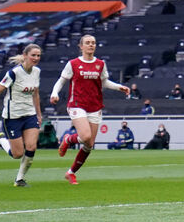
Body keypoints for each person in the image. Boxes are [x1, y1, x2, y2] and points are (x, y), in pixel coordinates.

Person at [50, 35, 131, 184]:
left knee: (89, 144)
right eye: (87, 43)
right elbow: (61, 81)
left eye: (93, 43)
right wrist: (55, 93)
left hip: (94, 106)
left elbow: (104, 82)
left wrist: (119, 87)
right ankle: (68, 139)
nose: (91, 45)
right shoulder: (73, 64)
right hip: (77, 104)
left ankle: (71, 172)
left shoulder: (100, 64)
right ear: (81, 46)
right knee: (86, 136)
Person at [0, 44, 43, 186]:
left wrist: (38, 114)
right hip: (12, 117)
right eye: (33, 55)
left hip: (29, 115)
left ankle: (19, 179)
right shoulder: (14, 73)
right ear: (25, 55)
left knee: (31, 147)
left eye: (38, 55)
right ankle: (1, 141)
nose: (36, 58)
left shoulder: (36, 71)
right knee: (17, 154)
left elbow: (36, 94)